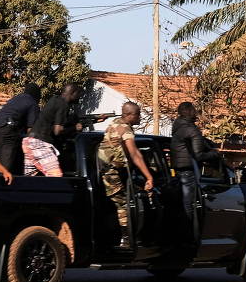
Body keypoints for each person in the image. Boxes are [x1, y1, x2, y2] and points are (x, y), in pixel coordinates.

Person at [97, 102, 154, 248]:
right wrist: (149, 177)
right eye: (138, 114)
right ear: (129, 115)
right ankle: (126, 239)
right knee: (122, 204)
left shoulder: (114, 124)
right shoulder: (125, 130)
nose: (140, 117)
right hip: (113, 173)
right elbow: (134, 154)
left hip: (106, 171)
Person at [169, 101, 220, 243]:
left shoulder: (176, 127)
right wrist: (215, 154)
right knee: (189, 207)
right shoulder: (192, 130)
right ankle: (189, 238)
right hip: (188, 173)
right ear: (192, 113)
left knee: (181, 206)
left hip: (177, 173)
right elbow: (199, 155)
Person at [22, 83, 83, 177]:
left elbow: (52, 122)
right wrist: (75, 128)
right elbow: (57, 131)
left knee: (29, 180)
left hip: (29, 142)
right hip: (40, 144)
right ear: (73, 93)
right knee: (55, 177)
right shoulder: (63, 104)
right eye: (78, 95)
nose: (79, 98)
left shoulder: (54, 99)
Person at [0, 83, 41, 174]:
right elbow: (31, 131)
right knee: (5, 170)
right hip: (6, 134)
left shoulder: (16, 99)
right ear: (37, 95)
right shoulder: (32, 102)